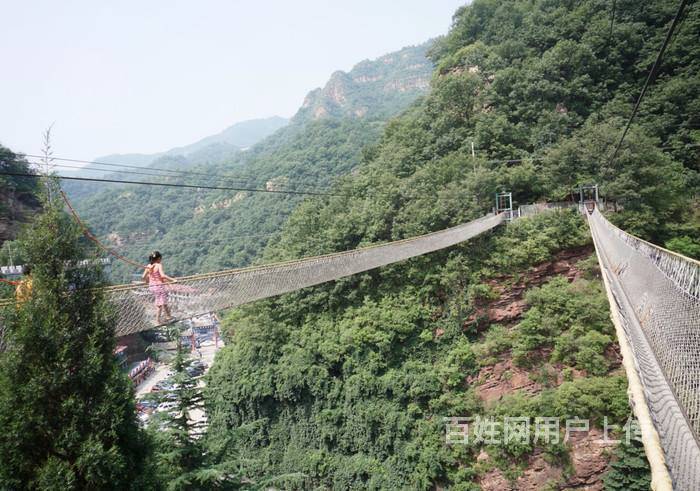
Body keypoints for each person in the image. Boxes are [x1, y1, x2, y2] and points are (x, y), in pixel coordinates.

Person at [142, 251, 177, 324]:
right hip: (159, 287)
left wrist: (147, 281)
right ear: (158, 258)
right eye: (160, 258)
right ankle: (158, 321)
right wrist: (173, 280)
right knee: (160, 305)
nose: (161, 260)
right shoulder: (158, 265)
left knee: (163, 302)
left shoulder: (148, 266)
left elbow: (143, 277)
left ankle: (169, 316)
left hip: (152, 287)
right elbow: (163, 276)